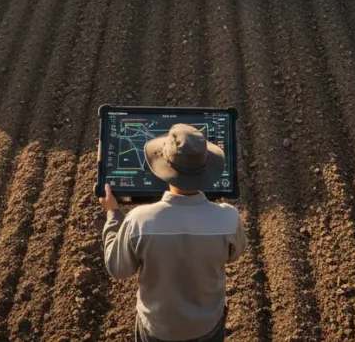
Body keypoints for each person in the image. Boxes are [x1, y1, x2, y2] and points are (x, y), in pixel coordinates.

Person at [100, 124, 246, 342]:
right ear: (207, 168)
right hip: (207, 328)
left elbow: (118, 268)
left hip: (158, 331)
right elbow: (234, 255)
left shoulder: (139, 221)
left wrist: (113, 214)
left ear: (164, 168)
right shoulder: (229, 218)